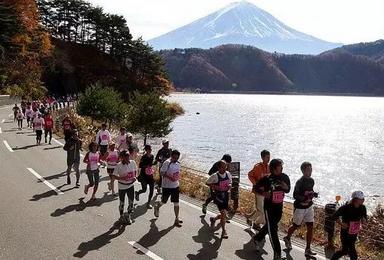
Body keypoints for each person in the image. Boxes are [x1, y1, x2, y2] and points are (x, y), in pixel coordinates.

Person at [253, 159, 291, 260]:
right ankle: (277, 254)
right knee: (273, 230)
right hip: (269, 208)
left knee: (270, 226)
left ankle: (257, 238)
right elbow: (256, 187)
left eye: (282, 167)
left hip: (279, 206)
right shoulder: (267, 178)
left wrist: (285, 186)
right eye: (280, 167)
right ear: (274, 168)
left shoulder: (284, 177)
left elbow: (288, 190)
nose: (282, 168)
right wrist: (264, 193)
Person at [283, 162, 318, 257]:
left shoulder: (311, 180)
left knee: (310, 226)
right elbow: (295, 195)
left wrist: (313, 194)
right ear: (303, 171)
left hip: (309, 207)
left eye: (311, 169)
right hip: (300, 208)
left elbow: (310, 191)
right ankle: (287, 237)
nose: (310, 171)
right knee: (296, 226)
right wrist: (304, 198)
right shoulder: (299, 182)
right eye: (308, 170)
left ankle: (308, 249)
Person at [330, 191, 367, 260]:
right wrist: (341, 223)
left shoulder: (363, 208)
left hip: (354, 233)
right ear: (355, 199)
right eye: (361, 199)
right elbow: (334, 216)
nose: (363, 200)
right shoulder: (346, 207)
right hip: (345, 232)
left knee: (346, 251)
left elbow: (364, 218)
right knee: (350, 252)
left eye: (363, 198)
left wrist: (363, 221)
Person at [154, 150, 182, 227]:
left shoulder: (178, 164)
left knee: (176, 203)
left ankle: (176, 219)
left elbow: (177, 173)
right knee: (164, 202)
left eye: (177, 158)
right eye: (174, 157)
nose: (175, 159)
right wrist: (170, 177)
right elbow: (162, 172)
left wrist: (176, 177)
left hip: (175, 186)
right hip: (166, 186)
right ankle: (157, 207)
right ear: (171, 156)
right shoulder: (167, 162)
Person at [206, 160, 232, 239]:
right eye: (223, 167)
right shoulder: (215, 176)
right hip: (218, 197)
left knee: (223, 214)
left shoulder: (228, 174)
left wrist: (229, 185)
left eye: (225, 167)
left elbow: (230, 181)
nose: (224, 169)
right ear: (219, 168)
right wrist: (214, 186)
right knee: (224, 213)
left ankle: (213, 219)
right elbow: (207, 182)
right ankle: (224, 231)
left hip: (226, 196)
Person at [112, 150, 138, 225]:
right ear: (122, 157)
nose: (127, 157)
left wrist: (135, 177)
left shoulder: (132, 162)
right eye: (125, 156)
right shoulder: (118, 165)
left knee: (131, 202)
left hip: (130, 186)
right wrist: (121, 178)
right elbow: (113, 176)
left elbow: (135, 171)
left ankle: (128, 215)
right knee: (122, 203)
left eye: (128, 156)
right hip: (122, 187)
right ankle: (121, 216)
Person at [246, 150, 270, 230]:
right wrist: (255, 183)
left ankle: (252, 219)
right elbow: (250, 175)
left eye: (269, 157)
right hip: (258, 192)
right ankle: (253, 221)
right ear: (262, 157)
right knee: (261, 210)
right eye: (267, 157)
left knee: (262, 209)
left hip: (266, 192)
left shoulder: (269, 167)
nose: (268, 158)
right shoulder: (257, 167)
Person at [135, 145, 156, 209]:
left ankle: (148, 203)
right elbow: (140, 166)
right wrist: (146, 166)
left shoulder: (152, 156)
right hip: (143, 175)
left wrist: (155, 162)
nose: (150, 150)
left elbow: (151, 163)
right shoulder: (143, 157)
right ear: (146, 150)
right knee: (144, 190)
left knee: (152, 189)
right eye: (149, 149)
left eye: (150, 149)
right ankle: (137, 193)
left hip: (150, 174)